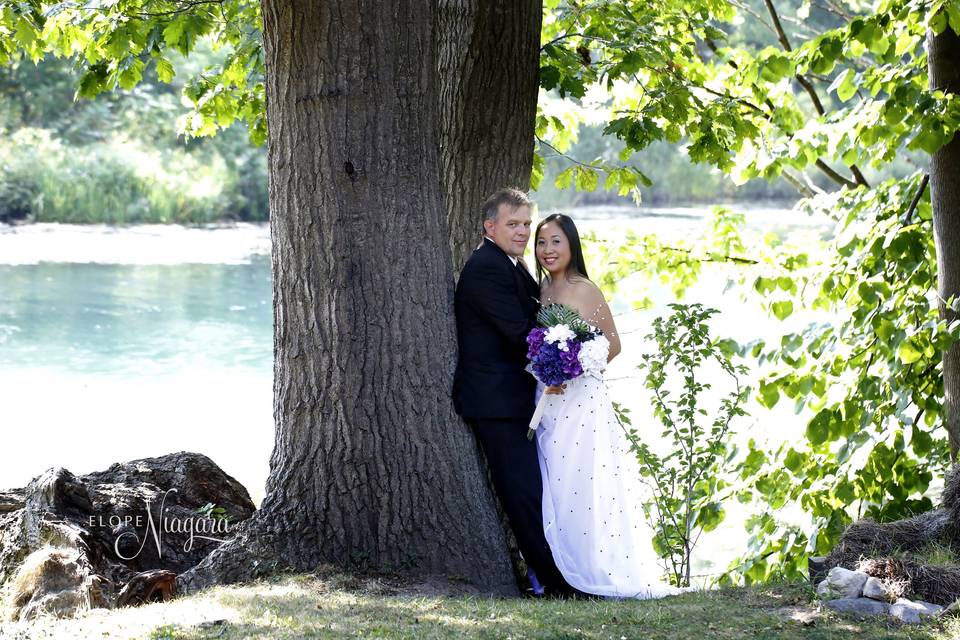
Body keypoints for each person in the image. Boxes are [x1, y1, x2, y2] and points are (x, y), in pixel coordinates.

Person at [532, 212, 685, 599]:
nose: (548, 250)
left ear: (571, 246)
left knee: (582, 481)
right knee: (553, 481)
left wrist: (570, 367)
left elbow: (611, 344)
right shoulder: (542, 290)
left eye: (555, 242)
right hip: (548, 399)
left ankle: (592, 568)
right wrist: (547, 369)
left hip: (581, 402)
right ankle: (559, 566)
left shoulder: (585, 289)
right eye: (541, 242)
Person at [452, 189, 577, 597]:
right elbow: (519, 331)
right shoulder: (486, 267)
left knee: (531, 490)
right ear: (491, 226)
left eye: (526, 224)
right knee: (522, 494)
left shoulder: (511, 264)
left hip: (513, 397)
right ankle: (555, 585)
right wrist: (559, 361)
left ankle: (553, 576)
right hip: (497, 401)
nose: (523, 232)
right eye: (514, 224)